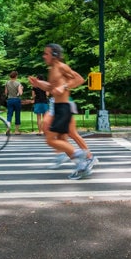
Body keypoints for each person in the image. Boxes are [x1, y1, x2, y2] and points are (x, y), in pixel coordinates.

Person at [28, 44, 96, 179]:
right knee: (59, 139)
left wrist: (64, 87)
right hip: (59, 108)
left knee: (51, 140)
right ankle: (81, 165)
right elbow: (51, 87)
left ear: (54, 55)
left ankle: (81, 155)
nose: (43, 56)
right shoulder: (52, 69)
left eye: (46, 54)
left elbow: (79, 79)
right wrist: (38, 84)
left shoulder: (61, 67)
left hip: (64, 107)